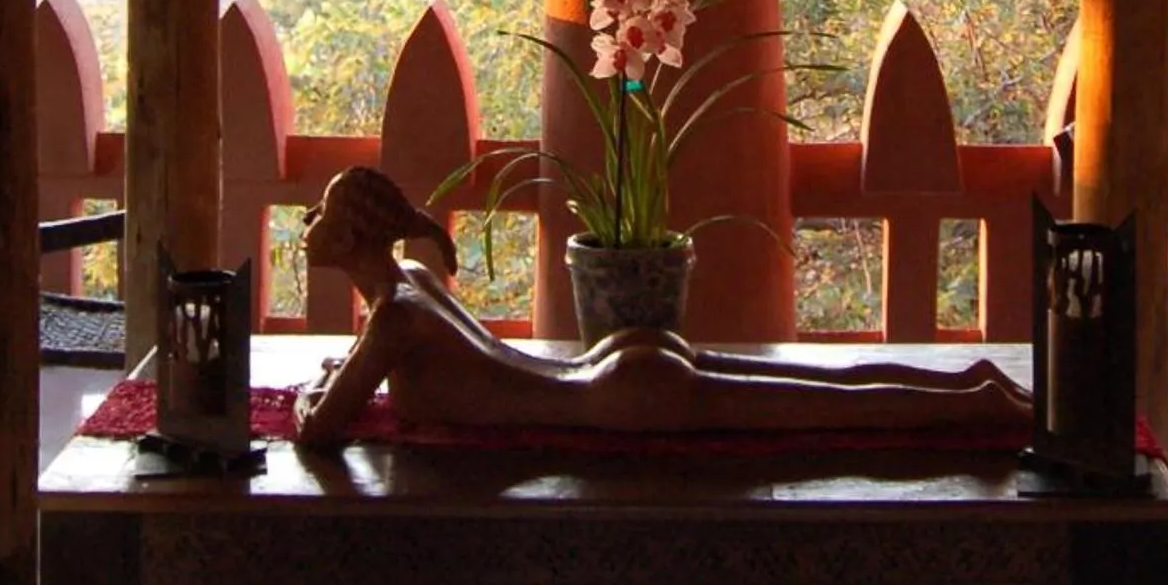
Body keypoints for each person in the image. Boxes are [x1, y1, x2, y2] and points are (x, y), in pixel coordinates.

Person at [289, 165, 1032, 451]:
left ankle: (986, 406)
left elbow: (322, 428)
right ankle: (975, 384)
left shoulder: (392, 315)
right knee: (828, 390)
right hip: (616, 365)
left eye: (318, 214)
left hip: (619, 396)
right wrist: (339, 377)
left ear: (352, 233)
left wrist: (314, 392)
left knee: (833, 410)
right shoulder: (415, 279)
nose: (306, 228)